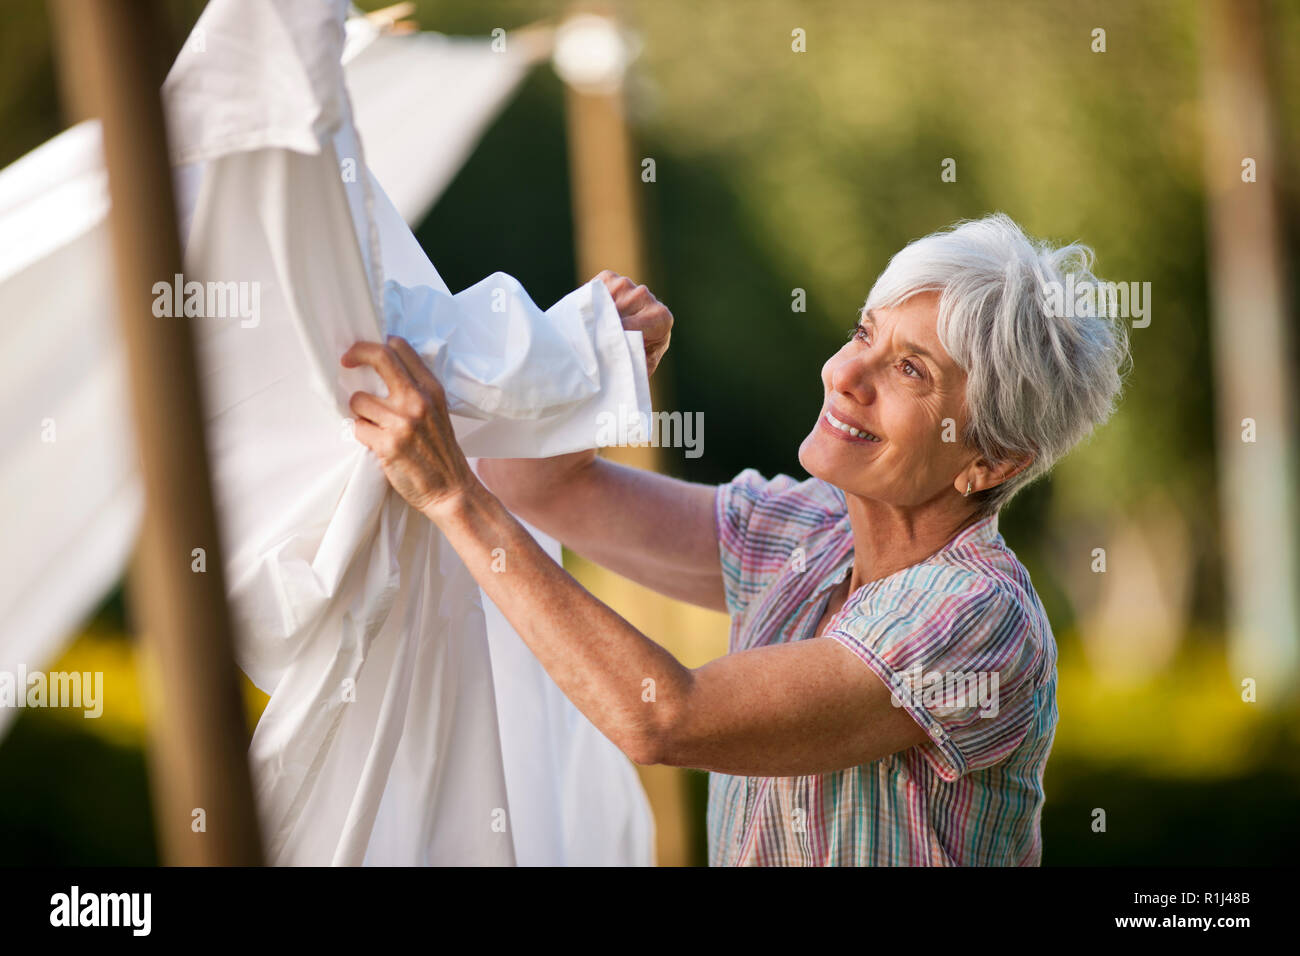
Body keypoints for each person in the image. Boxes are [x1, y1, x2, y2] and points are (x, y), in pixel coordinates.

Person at [340, 213, 1130, 866]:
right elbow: (536, 487)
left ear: (991, 460)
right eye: (865, 334)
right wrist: (601, 378)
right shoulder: (808, 529)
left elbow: (663, 718)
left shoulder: (974, 612)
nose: (846, 375)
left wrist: (450, 496)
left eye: (912, 372)